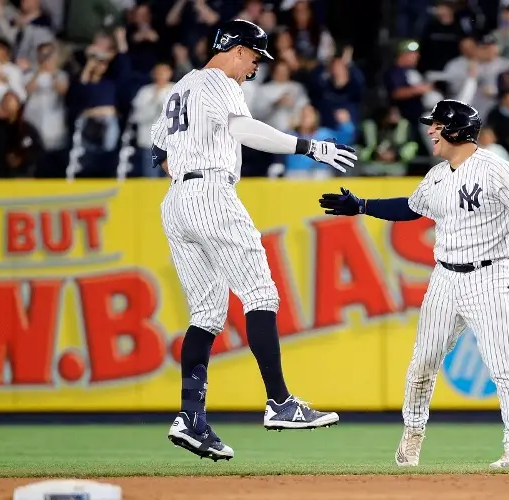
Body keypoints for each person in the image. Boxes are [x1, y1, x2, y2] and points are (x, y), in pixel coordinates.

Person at [150, 19, 356, 462]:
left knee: (207, 313)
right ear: (236, 49)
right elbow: (243, 131)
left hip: (177, 201)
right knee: (260, 293)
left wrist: (192, 166)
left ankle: (191, 418)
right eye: (255, 57)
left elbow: (160, 156)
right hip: (211, 191)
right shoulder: (219, 81)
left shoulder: (179, 88)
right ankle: (280, 403)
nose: (254, 67)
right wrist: (308, 146)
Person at [318, 100, 509, 469]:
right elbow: (411, 207)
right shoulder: (438, 174)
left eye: (438, 125)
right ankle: (412, 437)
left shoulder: (495, 169)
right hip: (444, 278)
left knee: (504, 366)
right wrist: (361, 205)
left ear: (456, 130)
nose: (430, 130)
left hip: (488, 277)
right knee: (422, 363)